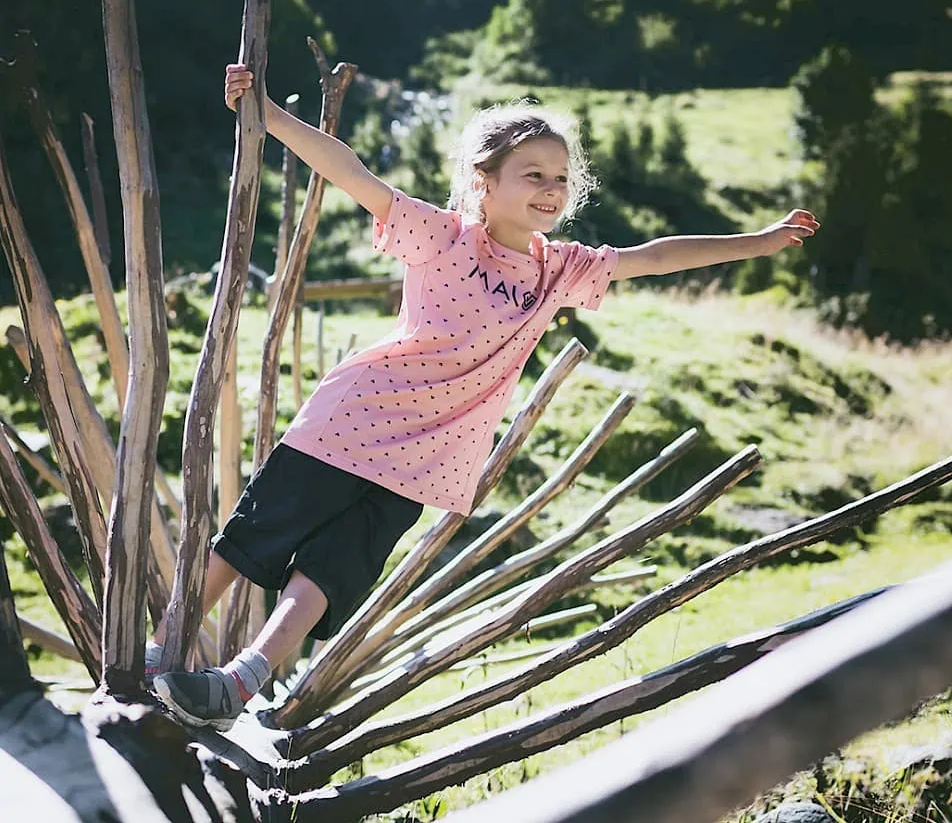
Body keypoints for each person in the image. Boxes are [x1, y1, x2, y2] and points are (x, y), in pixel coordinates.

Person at [150, 63, 819, 731]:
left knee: (332, 571)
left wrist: (757, 242)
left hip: (433, 455)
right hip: (354, 420)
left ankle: (240, 683)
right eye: (533, 175)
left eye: (560, 178)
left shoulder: (560, 269)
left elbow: (655, 256)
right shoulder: (442, 236)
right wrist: (266, 112)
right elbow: (351, 172)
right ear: (484, 182)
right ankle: (160, 655)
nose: (551, 190)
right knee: (254, 538)